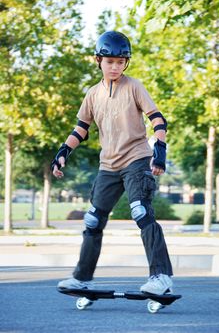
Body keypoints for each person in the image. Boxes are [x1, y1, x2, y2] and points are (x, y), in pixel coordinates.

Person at [52, 31, 173, 295]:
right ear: (98, 61)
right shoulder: (93, 94)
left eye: (121, 61)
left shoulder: (134, 86)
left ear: (126, 63)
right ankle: (82, 278)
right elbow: (81, 128)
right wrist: (63, 152)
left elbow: (158, 119)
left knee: (141, 212)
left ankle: (161, 277)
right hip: (108, 165)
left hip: (136, 159)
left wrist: (159, 149)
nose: (116, 66)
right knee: (93, 220)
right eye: (110, 62)